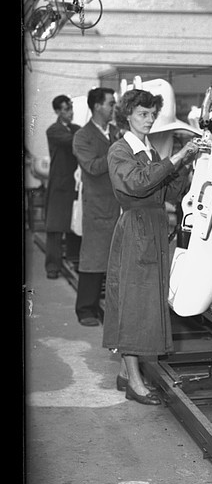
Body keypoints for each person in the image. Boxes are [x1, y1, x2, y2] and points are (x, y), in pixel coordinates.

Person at [102, 88, 199, 405]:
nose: (149, 120)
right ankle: (135, 382)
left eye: (151, 114)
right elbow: (137, 183)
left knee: (144, 301)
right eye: (143, 114)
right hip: (136, 230)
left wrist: (188, 161)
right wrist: (177, 157)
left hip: (153, 231)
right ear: (127, 115)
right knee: (135, 304)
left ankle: (124, 372)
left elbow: (168, 191)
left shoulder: (148, 151)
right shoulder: (120, 150)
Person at [71, 87, 120, 326]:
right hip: (97, 207)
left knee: (115, 259)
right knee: (93, 258)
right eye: (111, 103)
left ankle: (113, 309)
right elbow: (91, 167)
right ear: (97, 106)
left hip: (118, 204)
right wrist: (117, 150)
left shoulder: (115, 132)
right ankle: (85, 309)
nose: (114, 108)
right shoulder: (83, 136)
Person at [44, 95, 81, 279]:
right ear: (58, 111)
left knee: (74, 223)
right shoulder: (54, 130)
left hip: (74, 183)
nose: (70, 112)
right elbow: (73, 141)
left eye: (71, 108)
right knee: (55, 227)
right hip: (59, 184)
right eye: (66, 109)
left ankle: (73, 260)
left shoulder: (76, 129)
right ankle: (52, 266)